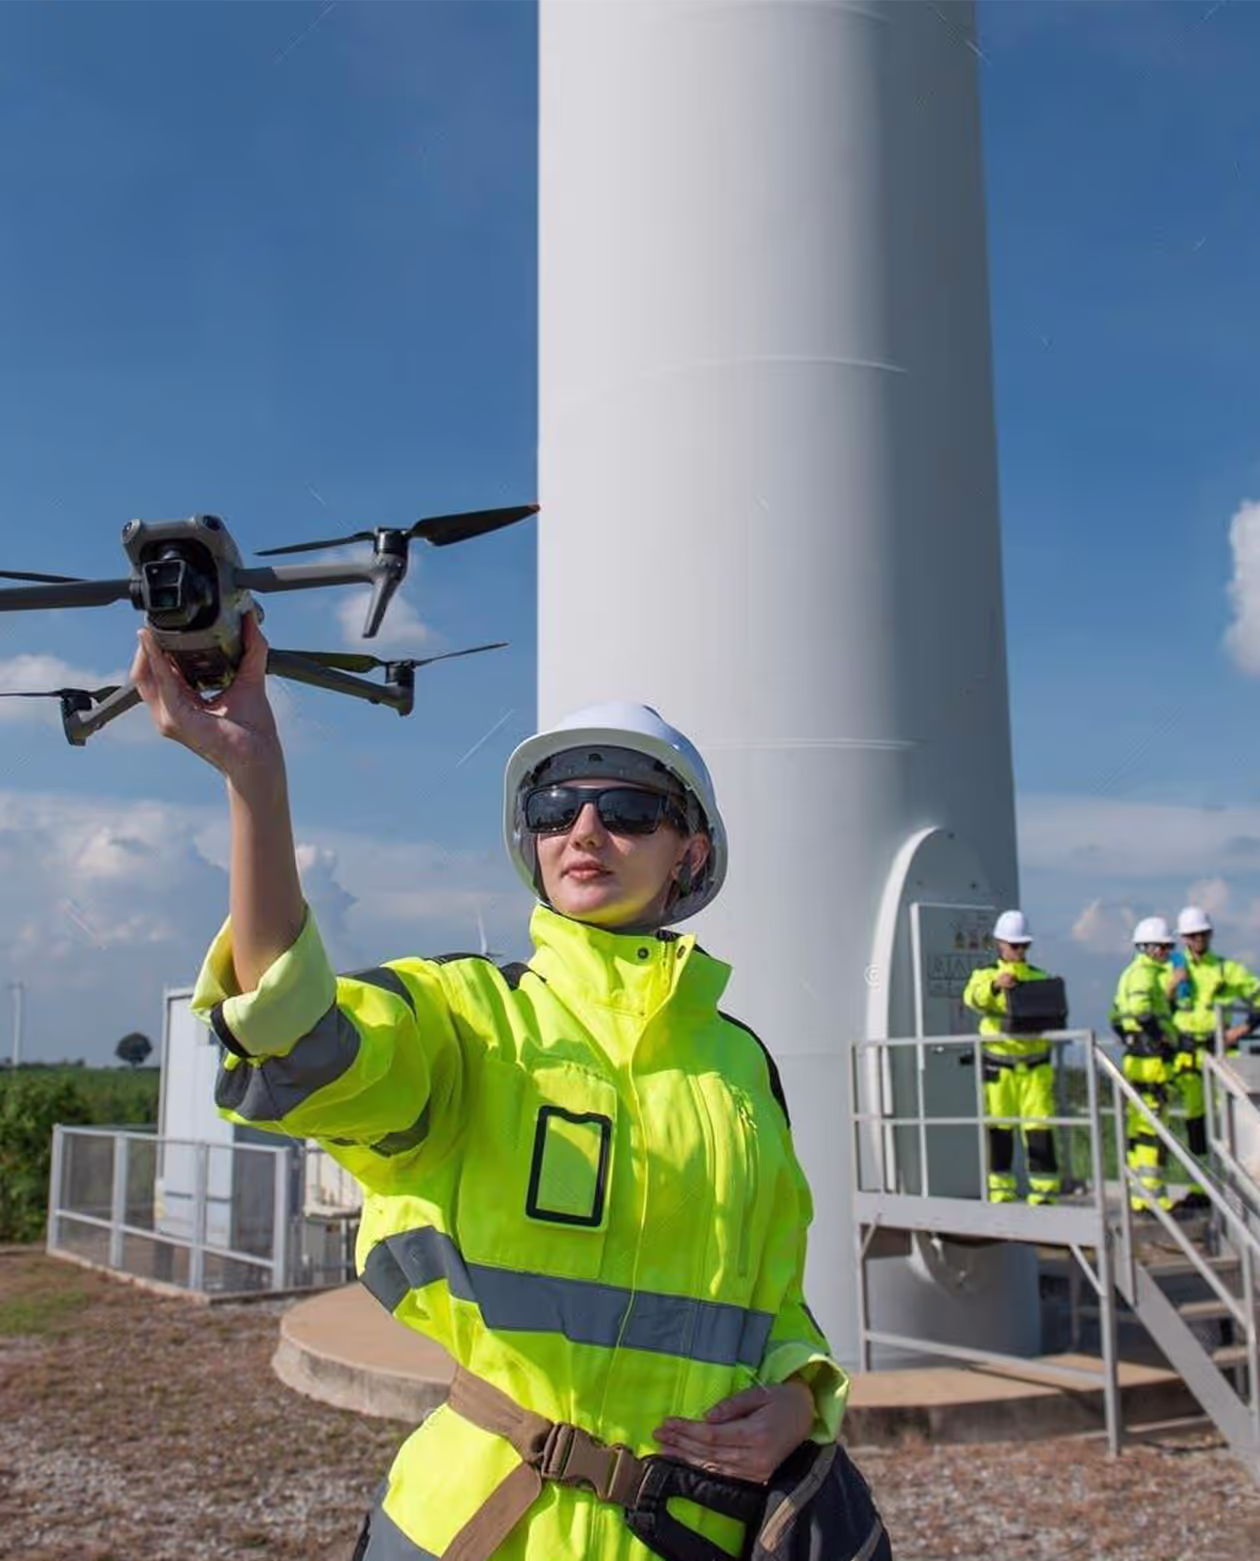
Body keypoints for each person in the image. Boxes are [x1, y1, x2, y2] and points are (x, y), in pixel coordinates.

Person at [130, 619, 889, 1561]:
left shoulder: (741, 1067)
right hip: (477, 1524)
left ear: (689, 848)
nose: (583, 830)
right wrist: (256, 777)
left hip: (686, 1534)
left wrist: (797, 1397)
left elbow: (770, 1297)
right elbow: (296, 1034)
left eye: (627, 805)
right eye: (555, 805)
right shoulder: (472, 1015)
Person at [961, 910, 1061, 1206]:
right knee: (1000, 1129)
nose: (1019, 951)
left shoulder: (1041, 977)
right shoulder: (985, 976)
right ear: (999, 945)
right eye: (1014, 945)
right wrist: (996, 986)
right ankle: (1001, 1191)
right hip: (999, 1067)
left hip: (1035, 1068)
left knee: (1040, 1128)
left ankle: (1044, 1194)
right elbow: (972, 997)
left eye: (1023, 946)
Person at [1167, 905, 1260, 1210]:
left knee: (1236, 1121)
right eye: (1192, 936)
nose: (1198, 940)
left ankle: (1241, 1186)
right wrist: (1170, 987)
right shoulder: (1173, 970)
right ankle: (1201, 1187)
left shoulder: (1224, 969)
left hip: (1220, 1053)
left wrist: (1243, 1027)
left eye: (1202, 935)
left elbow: (1257, 994)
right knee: (1196, 1123)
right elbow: (1157, 1009)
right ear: (1183, 939)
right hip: (1188, 1056)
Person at [1110, 917, 1179, 1214]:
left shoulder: (1131, 974)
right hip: (1150, 1061)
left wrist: (1129, 1039)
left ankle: (1140, 1195)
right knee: (1153, 1128)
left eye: (1168, 947)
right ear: (1147, 947)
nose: (1166, 952)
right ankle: (1153, 1195)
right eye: (1163, 947)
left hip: (1137, 1058)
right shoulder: (1145, 975)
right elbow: (1141, 1011)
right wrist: (1161, 1040)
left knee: (1139, 1127)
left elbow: (1116, 1017)